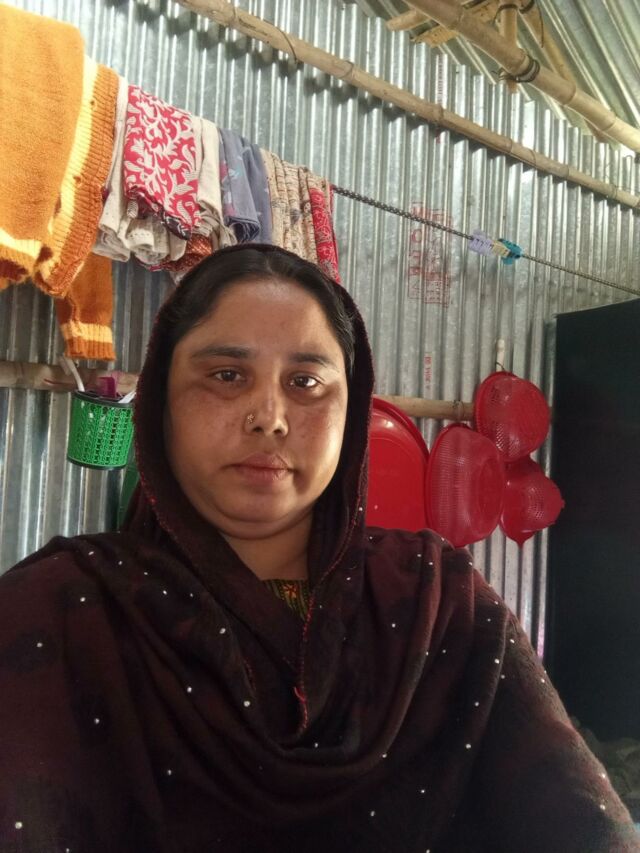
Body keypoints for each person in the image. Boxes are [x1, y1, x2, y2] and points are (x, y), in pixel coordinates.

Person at [0, 244, 637, 853]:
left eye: (305, 382)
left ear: (351, 413)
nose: (269, 417)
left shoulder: (439, 602)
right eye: (226, 375)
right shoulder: (63, 610)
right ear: (161, 404)